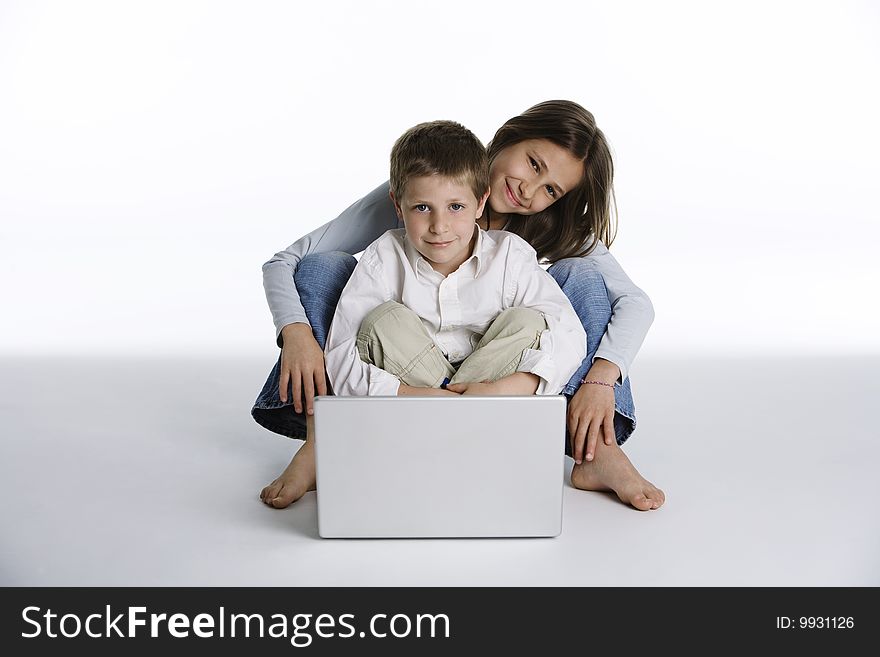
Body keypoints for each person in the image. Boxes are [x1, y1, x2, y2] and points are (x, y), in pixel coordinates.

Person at [256, 100, 665, 511]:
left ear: (479, 202)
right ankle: (322, 438)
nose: (529, 190)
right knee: (322, 268)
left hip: (494, 365)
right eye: (534, 164)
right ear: (509, 136)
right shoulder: (421, 184)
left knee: (583, 280)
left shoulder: (536, 236)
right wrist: (296, 332)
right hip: (409, 359)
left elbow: (633, 303)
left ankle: (597, 448)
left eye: (551, 190)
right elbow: (287, 262)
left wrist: (599, 380)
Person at [324, 119, 586, 413]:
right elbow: (340, 354)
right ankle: (452, 421)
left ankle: (457, 422)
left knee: (529, 322)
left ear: (480, 202)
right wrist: (409, 394)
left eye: (456, 207)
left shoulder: (509, 255)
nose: (439, 226)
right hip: (414, 397)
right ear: (398, 206)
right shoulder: (383, 258)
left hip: (490, 384)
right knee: (383, 321)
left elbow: (571, 335)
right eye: (422, 207)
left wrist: (507, 389)